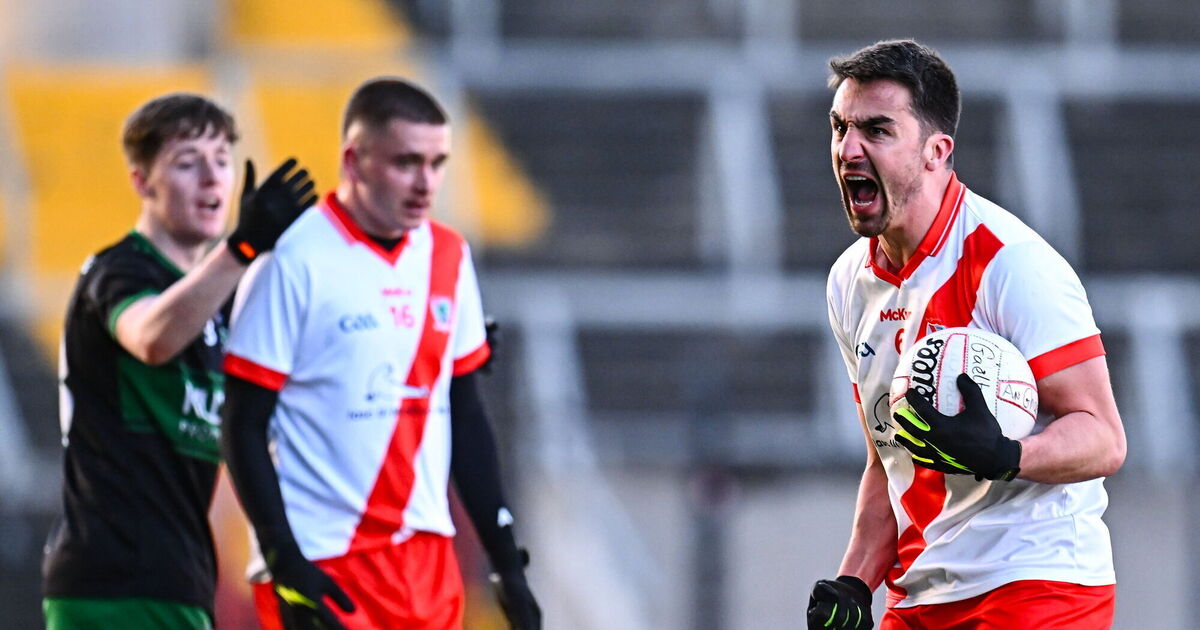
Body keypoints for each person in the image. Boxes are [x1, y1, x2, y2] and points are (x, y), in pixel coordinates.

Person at [807, 40, 1126, 630]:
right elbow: (887, 460)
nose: (848, 149)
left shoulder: (1011, 263)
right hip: (920, 594)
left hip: (1036, 582)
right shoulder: (848, 282)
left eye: (876, 130)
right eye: (840, 127)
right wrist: (854, 581)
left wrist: (1008, 455)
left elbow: (1104, 438)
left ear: (937, 152)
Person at [220, 77, 541, 630]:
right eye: (406, 162)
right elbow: (242, 424)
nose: (425, 183)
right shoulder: (292, 260)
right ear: (354, 160)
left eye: (437, 163)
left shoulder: (449, 256)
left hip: (426, 567)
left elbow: (465, 416)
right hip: (326, 563)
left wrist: (506, 561)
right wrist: (282, 556)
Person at [42, 92, 315, 630]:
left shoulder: (223, 304)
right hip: (114, 578)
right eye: (188, 163)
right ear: (142, 181)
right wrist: (240, 250)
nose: (212, 178)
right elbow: (152, 338)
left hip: (180, 578)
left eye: (222, 160)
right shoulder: (119, 271)